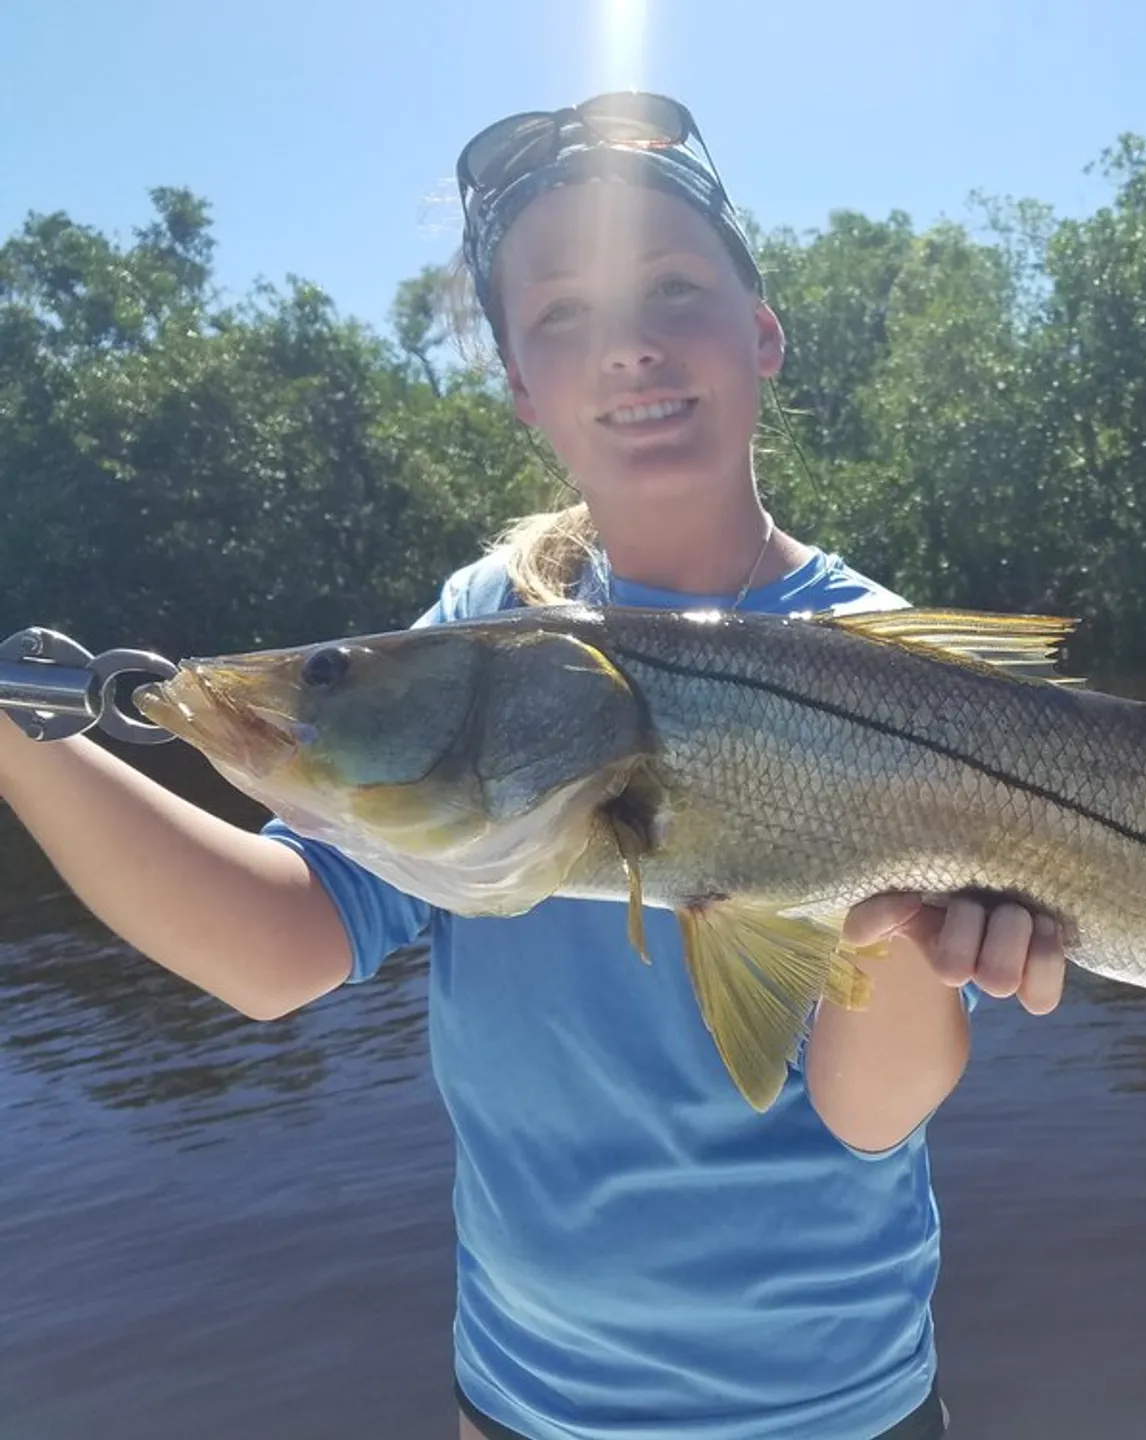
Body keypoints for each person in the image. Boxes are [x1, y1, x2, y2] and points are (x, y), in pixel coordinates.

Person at [0, 91, 1066, 1440]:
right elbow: (276, 952)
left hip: (836, 1408)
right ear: (518, 389)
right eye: (560, 314)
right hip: (524, 1404)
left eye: (671, 288)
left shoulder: (894, 668)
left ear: (763, 332)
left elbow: (869, 1113)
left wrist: (920, 935)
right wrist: (17, 733)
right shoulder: (482, 628)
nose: (624, 345)